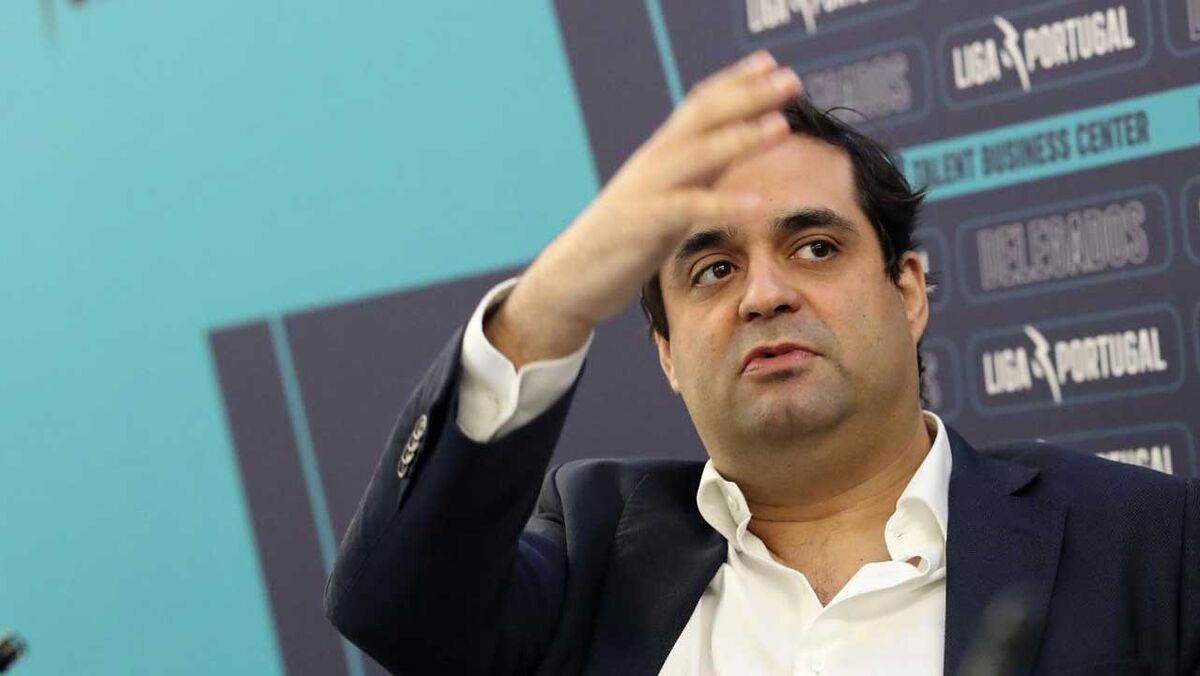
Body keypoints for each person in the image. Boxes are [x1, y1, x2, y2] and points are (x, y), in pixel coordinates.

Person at [324, 52, 1199, 675]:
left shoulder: (1150, 543)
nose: (765, 294)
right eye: (713, 270)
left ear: (907, 292)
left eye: (816, 247)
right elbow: (395, 609)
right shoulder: (591, 551)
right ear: (667, 354)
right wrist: (551, 302)